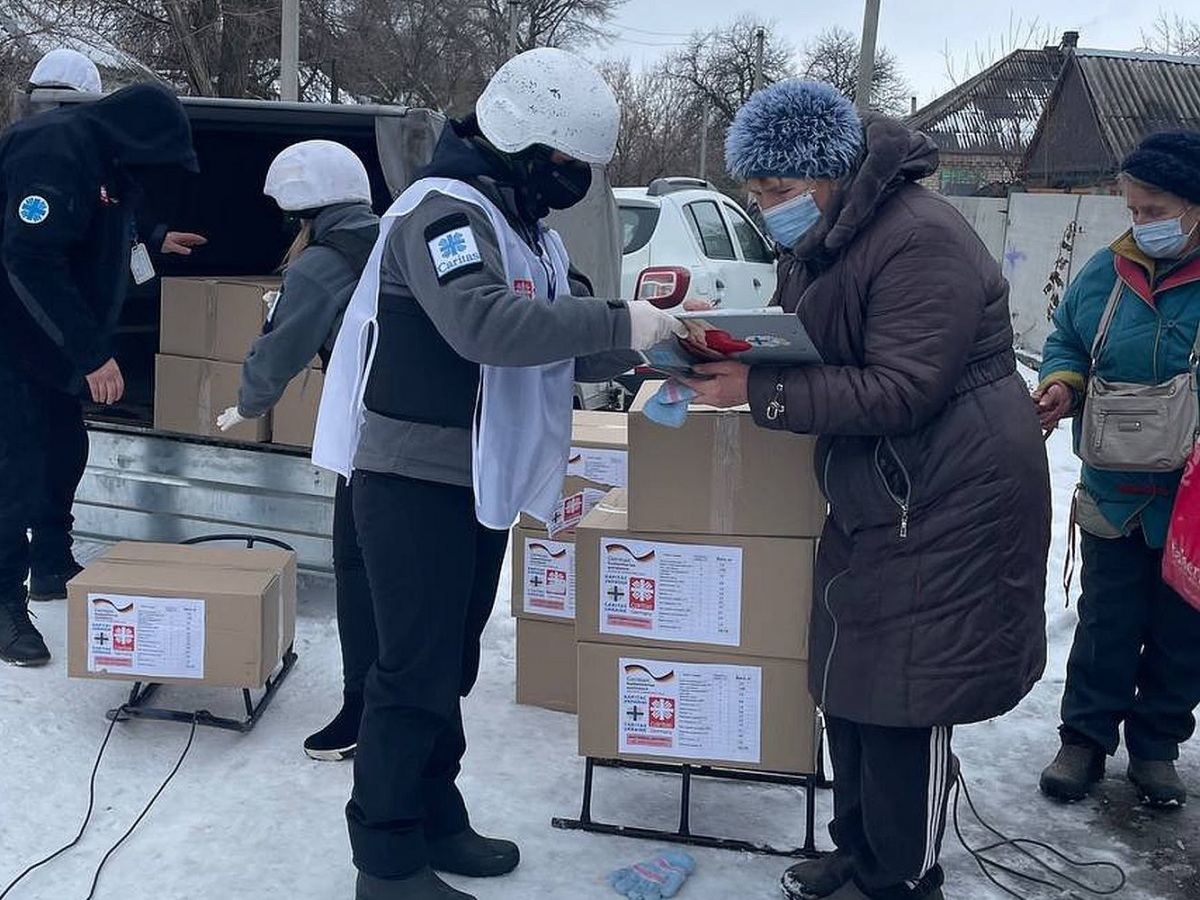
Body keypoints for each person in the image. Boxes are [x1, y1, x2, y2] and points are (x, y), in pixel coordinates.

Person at [312, 47, 685, 900]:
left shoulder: (525, 229)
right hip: (412, 479)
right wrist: (624, 317)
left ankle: (433, 813)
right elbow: (484, 323)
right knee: (409, 674)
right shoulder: (441, 217)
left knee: (450, 665)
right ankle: (386, 859)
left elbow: (567, 321)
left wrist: (660, 345)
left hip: (474, 479)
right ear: (519, 143)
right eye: (564, 162)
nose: (572, 179)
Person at [677, 79, 1051, 900]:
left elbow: (903, 387)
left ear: (830, 173)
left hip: (952, 489)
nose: (767, 206)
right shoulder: (829, 235)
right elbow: (815, 335)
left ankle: (903, 878)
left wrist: (759, 390)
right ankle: (858, 853)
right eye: (757, 191)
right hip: (882, 485)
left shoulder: (919, 239)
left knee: (905, 696)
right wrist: (730, 341)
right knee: (851, 676)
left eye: (777, 190)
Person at [0, 82, 198, 666]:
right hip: (11, 338)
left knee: (65, 446)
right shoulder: (52, 152)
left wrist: (156, 237)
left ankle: (52, 561)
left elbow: (102, 214)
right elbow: (29, 257)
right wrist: (90, 353)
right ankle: (3, 601)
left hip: (47, 341)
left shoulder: (100, 153)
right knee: (16, 465)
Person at [1035, 131, 1200, 808]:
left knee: (1181, 630)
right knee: (1106, 621)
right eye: (1134, 210)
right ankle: (1084, 740)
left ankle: (1157, 749)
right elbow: (1067, 337)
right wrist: (1061, 384)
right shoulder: (1107, 271)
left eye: (1155, 210)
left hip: (1191, 504)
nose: (1142, 224)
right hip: (1113, 490)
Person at [217, 139, 380, 761]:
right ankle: (409, 706)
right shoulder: (395, 237)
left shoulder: (322, 262)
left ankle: (363, 710)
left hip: (369, 436)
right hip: (435, 431)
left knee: (359, 571)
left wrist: (250, 404)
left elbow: (278, 353)